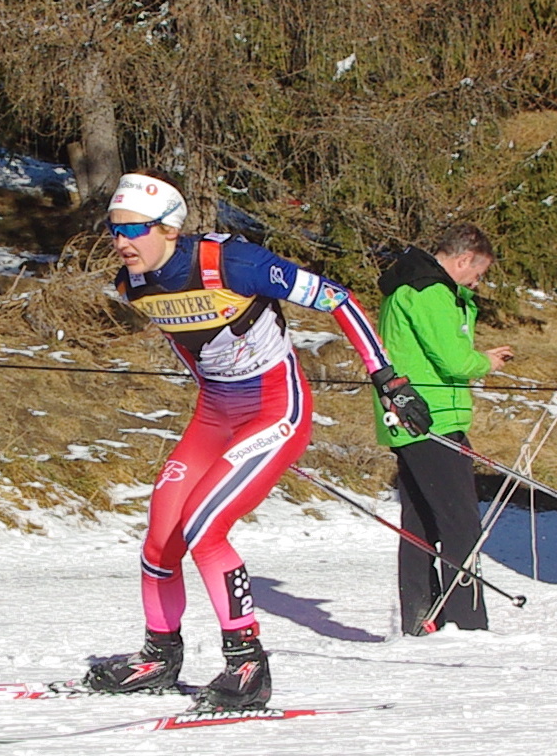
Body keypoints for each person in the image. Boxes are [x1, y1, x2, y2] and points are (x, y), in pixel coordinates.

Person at [87, 173, 431, 709]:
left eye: (135, 229)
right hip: (214, 415)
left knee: (204, 526)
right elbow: (189, 340)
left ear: (169, 229)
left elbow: (338, 298)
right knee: (160, 537)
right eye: (114, 229)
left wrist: (388, 379)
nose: (122, 241)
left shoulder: (232, 262)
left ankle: (247, 666)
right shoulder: (133, 284)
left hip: (274, 408)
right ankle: (159, 655)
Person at [375, 224, 512, 635]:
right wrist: (484, 362)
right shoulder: (428, 290)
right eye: (478, 273)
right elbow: (453, 358)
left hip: (419, 419)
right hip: (429, 419)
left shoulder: (416, 286)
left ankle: (422, 617)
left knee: (420, 523)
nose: (476, 282)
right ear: (464, 258)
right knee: (461, 524)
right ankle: (467, 622)